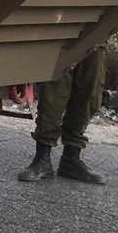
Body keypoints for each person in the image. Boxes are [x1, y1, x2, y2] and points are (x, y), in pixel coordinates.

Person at [17, 47, 106, 185]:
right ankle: (42, 158)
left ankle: (71, 159)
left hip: (96, 39)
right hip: (64, 36)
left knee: (88, 96)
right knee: (53, 96)